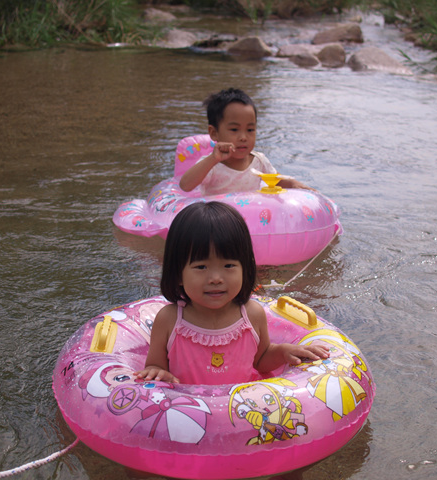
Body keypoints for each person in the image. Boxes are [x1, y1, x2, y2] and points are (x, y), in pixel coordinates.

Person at [137, 201, 329, 385]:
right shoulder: (170, 320)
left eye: (229, 265)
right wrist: (157, 371)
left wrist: (284, 352)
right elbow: (155, 365)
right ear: (178, 273)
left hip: (240, 412)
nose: (216, 278)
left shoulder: (252, 315)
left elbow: (261, 359)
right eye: (201, 266)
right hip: (191, 413)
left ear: (245, 268)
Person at [179, 88, 313, 196]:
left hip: (250, 220)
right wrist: (213, 159)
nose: (243, 137)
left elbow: (276, 181)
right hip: (219, 223)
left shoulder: (259, 161)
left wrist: (295, 184)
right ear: (214, 133)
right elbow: (185, 186)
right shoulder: (212, 165)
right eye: (234, 129)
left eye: (250, 129)